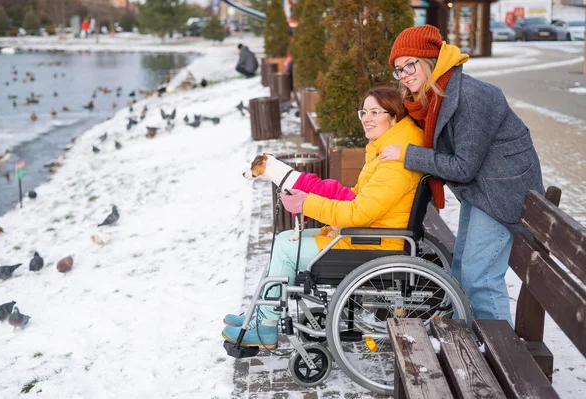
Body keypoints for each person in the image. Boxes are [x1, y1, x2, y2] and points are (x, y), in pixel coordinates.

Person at [222, 87, 425, 349]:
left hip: (374, 245)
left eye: (375, 112)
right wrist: (312, 191)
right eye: (364, 112)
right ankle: (261, 311)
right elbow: (357, 198)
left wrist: (308, 203)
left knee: (285, 249)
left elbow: (358, 213)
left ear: (395, 117)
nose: (366, 118)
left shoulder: (394, 163)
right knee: (285, 238)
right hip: (369, 237)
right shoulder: (387, 151)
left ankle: (266, 326)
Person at [381, 25, 544, 326]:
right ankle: (462, 338)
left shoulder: (470, 97)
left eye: (409, 64)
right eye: (398, 69)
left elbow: (463, 167)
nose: (403, 74)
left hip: (503, 193)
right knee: (460, 271)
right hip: (482, 189)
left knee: (480, 278)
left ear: (429, 60)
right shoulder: (433, 97)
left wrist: (408, 155)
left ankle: (501, 357)